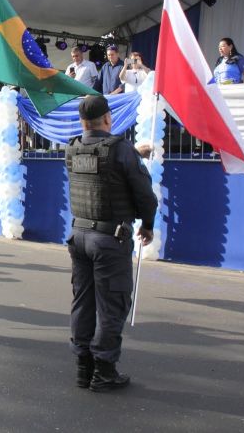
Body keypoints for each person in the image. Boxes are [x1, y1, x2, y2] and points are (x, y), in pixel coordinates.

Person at [66, 95, 157, 392]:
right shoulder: (121, 149)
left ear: (82, 122)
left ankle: (83, 367)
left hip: (79, 235)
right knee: (112, 305)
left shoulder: (73, 148)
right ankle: (104, 371)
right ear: (108, 118)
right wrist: (147, 224)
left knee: (83, 301)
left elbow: (101, 174)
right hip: (109, 239)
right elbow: (144, 195)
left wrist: (132, 153)